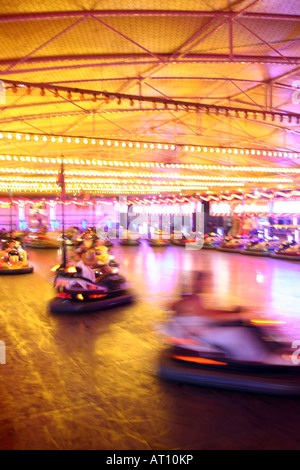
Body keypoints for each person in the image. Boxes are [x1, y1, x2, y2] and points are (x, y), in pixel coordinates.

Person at [172, 271, 242, 319]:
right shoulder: (191, 300)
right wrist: (233, 313)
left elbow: (205, 312)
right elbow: (205, 314)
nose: (205, 285)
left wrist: (231, 312)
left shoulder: (193, 298)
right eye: (202, 282)